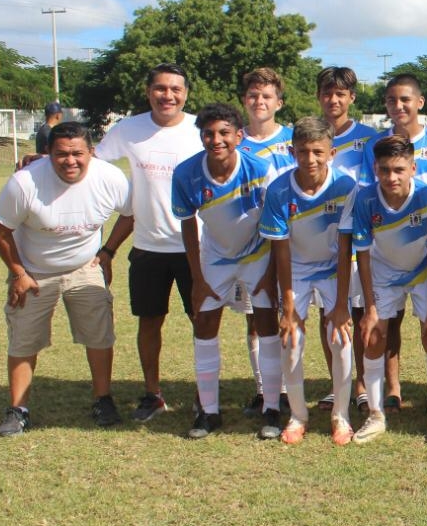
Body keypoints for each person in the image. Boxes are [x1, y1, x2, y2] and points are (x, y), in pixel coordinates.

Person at [0, 121, 133, 436]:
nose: (70, 161)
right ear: (47, 154)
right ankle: (18, 410)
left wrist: (108, 251)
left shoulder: (109, 178)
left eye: (78, 153)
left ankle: (103, 400)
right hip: (34, 271)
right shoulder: (25, 182)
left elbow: (130, 212)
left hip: (85, 267)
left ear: (91, 152)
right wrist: (19, 273)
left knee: (99, 335)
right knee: (24, 339)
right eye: (61, 154)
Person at [94, 63, 202, 421]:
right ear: (148, 91)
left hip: (195, 249)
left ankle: (205, 393)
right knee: (149, 322)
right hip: (147, 248)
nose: (167, 95)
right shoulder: (129, 129)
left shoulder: (200, 129)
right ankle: (152, 392)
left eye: (175, 89)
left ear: (186, 94)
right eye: (160, 88)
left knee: (201, 322)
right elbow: (89, 163)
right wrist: (42, 160)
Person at [170, 103, 274, 439]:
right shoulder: (186, 173)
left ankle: (272, 408)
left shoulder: (260, 168)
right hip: (214, 257)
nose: (216, 139)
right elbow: (187, 227)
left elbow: (274, 225)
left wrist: (269, 271)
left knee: (266, 324)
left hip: (257, 253)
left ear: (239, 136)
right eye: (209, 133)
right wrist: (198, 279)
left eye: (224, 133)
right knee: (204, 324)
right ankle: (209, 412)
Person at [338, 134, 427, 443]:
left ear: (413, 168)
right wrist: (371, 309)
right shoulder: (364, 199)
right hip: (383, 273)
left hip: (422, 273)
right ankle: (375, 415)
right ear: (375, 168)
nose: (391, 177)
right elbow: (361, 252)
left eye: (399, 169)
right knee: (374, 334)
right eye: (385, 169)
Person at [259, 117, 358, 444]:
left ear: (331, 152)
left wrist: (342, 304)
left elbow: (345, 249)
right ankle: (298, 415)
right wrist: (288, 307)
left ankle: (340, 416)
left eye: (318, 151)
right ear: (292, 151)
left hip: (333, 268)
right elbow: (281, 252)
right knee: (290, 339)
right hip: (296, 270)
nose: (311, 159)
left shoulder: (346, 187)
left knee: (341, 338)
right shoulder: (278, 189)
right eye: (303, 152)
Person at [357, 73, 427, 415]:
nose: (399, 106)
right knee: (386, 324)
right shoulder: (376, 147)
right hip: (387, 252)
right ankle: (391, 390)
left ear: (419, 103)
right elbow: (375, 196)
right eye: (392, 101)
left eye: (405, 100)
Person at [313, 67, 377, 416]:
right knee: (329, 313)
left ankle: (363, 384)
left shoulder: (368, 138)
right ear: (319, 95)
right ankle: (337, 380)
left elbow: (370, 189)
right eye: (327, 92)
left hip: (357, 238)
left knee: (358, 311)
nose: (333, 99)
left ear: (352, 97)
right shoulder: (311, 133)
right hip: (319, 239)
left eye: (340, 93)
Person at [236, 68, 294, 418]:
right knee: (256, 319)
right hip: (249, 247)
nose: (260, 102)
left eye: (267, 96)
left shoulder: (293, 140)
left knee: (292, 315)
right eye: (254, 96)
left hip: (291, 245)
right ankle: (266, 389)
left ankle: (290, 386)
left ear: (279, 103)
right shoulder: (233, 140)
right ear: (245, 100)